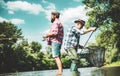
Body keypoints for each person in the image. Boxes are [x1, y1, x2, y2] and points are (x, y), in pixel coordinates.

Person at [43, 11, 64, 76]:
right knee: (58, 56)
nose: (51, 17)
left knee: (56, 56)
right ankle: (61, 71)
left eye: (51, 15)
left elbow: (55, 33)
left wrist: (46, 35)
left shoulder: (55, 22)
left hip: (55, 41)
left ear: (55, 15)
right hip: (59, 41)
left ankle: (60, 72)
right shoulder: (59, 22)